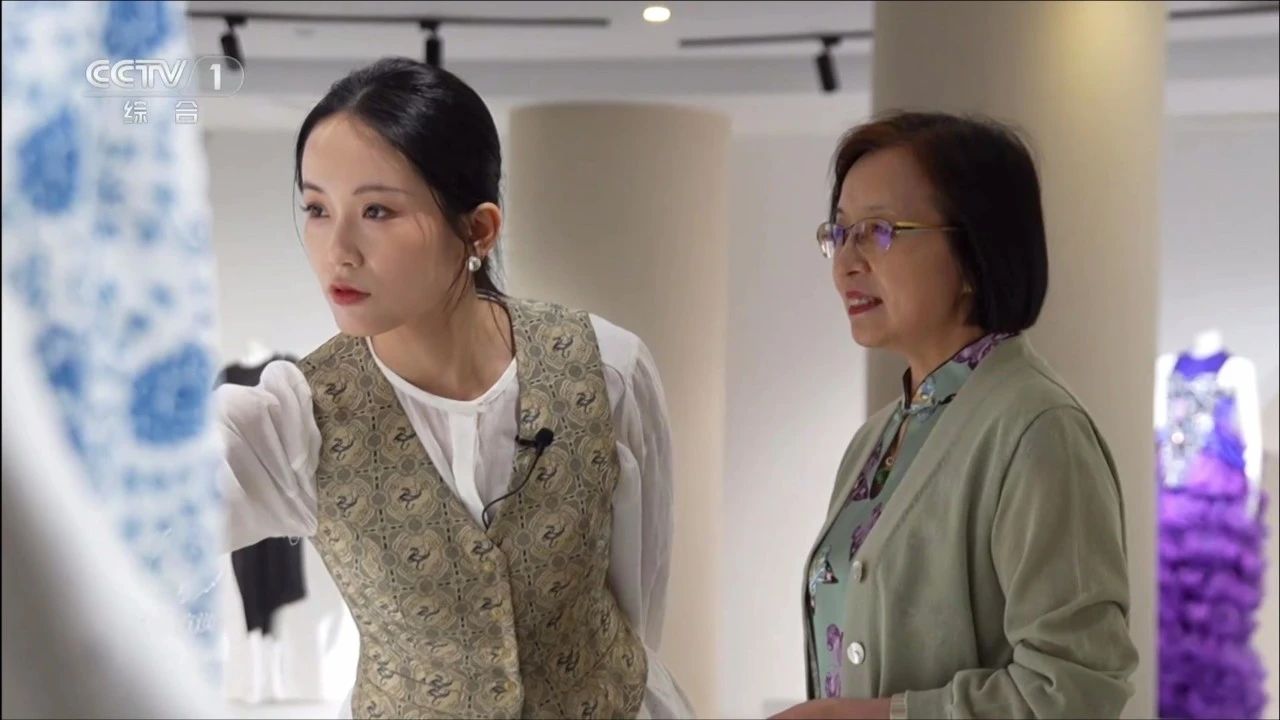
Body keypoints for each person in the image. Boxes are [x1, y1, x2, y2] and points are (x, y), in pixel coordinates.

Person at [215, 57, 691, 720]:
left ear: (479, 229)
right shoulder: (295, 419)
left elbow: (643, 595)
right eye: (317, 209)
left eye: (377, 210)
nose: (337, 250)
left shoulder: (607, 369)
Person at [772, 112, 1139, 720]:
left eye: (879, 231)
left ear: (974, 253)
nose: (845, 264)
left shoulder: (1038, 430)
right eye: (840, 233)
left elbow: (1076, 689)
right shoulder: (876, 440)